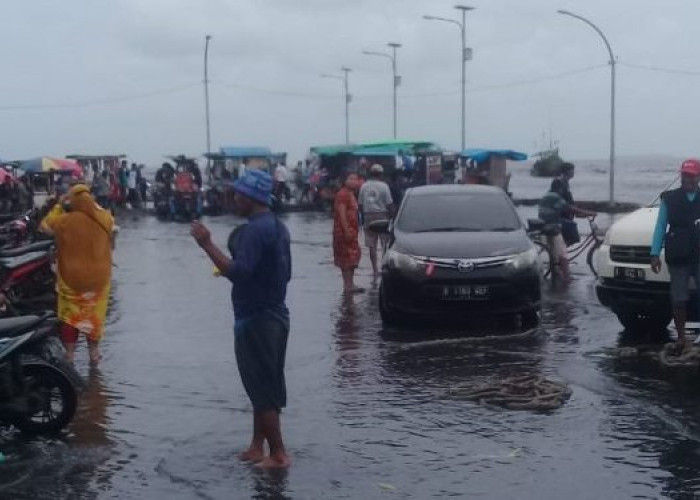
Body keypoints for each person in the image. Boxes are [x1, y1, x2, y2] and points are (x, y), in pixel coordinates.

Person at [190, 169, 291, 470]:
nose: (233, 199)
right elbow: (277, 272)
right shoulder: (278, 227)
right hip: (276, 314)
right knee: (264, 384)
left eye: (237, 195)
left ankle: (278, 454)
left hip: (256, 318)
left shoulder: (253, 231)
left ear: (251, 197)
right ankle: (257, 446)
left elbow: (240, 273)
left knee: (262, 387)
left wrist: (207, 244)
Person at [40, 184, 114, 366]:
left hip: (70, 281)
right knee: (94, 318)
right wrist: (94, 205)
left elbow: (43, 227)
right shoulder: (105, 218)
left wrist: (59, 204)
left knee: (70, 319)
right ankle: (94, 355)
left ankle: (70, 357)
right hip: (98, 282)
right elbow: (109, 220)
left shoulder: (64, 221)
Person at [651, 159, 700, 350]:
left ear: (698, 177)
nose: (688, 179)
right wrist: (654, 253)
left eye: (692, 175)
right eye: (685, 175)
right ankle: (681, 338)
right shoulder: (669, 199)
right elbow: (660, 226)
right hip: (678, 255)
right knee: (679, 298)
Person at [538, 180, 595, 280]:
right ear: (560, 188)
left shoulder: (547, 195)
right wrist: (589, 213)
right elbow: (569, 208)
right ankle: (567, 277)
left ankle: (556, 272)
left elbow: (568, 210)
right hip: (552, 226)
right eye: (563, 189)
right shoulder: (555, 197)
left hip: (544, 225)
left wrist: (582, 213)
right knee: (563, 252)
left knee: (555, 252)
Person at [358, 164, 394, 277]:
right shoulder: (384, 186)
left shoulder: (364, 186)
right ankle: (384, 267)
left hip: (368, 215)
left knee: (371, 245)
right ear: (381, 174)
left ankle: (374, 270)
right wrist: (394, 217)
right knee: (385, 243)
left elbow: (360, 205)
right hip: (383, 215)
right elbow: (389, 204)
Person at [333, 172, 362, 293]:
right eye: (351, 178)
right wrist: (346, 230)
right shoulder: (343, 194)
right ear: (345, 180)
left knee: (353, 257)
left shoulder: (351, 194)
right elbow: (342, 213)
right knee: (346, 258)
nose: (354, 181)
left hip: (352, 232)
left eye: (356, 179)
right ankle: (347, 286)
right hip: (344, 233)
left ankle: (350, 284)